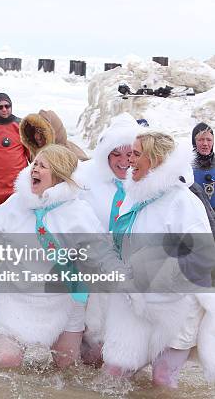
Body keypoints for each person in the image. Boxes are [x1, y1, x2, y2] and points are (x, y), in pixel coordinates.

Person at [0, 145, 118, 369]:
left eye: (43, 166)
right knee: (7, 359)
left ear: (58, 175)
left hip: (65, 300)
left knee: (66, 366)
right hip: (14, 296)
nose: (34, 169)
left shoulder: (78, 213)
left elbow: (99, 258)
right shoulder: (15, 204)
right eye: (34, 164)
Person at [103, 131, 215, 388]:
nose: (130, 159)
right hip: (136, 299)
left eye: (136, 153)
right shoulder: (134, 197)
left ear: (154, 159)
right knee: (114, 372)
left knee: (162, 378)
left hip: (178, 304)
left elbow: (201, 256)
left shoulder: (182, 201)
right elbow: (119, 242)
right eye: (129, 152)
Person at [74, 113, 138, 366]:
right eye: (116, 154)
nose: (124, 162)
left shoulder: (148, 183)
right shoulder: (86, 177)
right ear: (105, 154)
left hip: (130, 276)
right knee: (92, 342)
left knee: (122, 345)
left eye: (130, 154)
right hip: (92, 275)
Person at [19, 109, 88, 162]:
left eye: (41, 132)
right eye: (34, 131)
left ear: (55, 132)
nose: (37, 137)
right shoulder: (36, 154)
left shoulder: (74, 157)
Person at [192, 122, 215, 210]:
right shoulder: (186, 167)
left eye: (209, 140)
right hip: (196, 215)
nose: (205, 143)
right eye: (201, 139)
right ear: (194, 142)